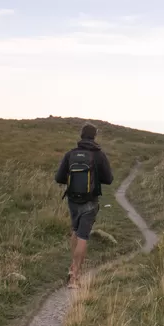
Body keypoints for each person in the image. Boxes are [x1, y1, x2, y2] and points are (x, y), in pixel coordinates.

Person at [55, 123, 114, 287]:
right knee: (83, 236)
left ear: (81, 136)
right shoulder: (99, 155)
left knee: (75, 231)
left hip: (73, 200)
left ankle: (71, 267)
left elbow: (59, 178)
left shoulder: (70, 154)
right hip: (90, 201)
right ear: (94, 136)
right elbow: (109, 179)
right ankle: (74, 277)